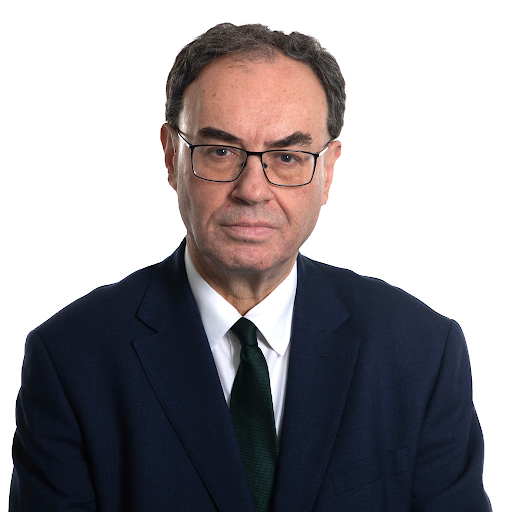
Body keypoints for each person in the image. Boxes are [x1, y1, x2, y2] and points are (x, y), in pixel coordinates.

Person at [10, 23, 491, 511]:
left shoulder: (422, 353)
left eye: (287, 157)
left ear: (328, 171)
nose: (253, 190)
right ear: (171, 155)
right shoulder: (71, 358)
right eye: (220, 152)